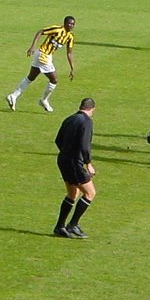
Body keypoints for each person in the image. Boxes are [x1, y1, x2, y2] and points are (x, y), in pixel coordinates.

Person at [6, 16, 76, 113]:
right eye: (69, 23)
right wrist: (32, 47)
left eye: (73, 24)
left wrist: (72, 68)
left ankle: (13, 96)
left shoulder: (70, 37)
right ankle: (43, 100)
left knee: (31, 77)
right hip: (43, 54)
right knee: (54, 80)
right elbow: (40, 32)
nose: (71, 25)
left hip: (47, 56)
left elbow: (69, 52)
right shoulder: (57, 29)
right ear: (64, 23)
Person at [53, 98, 97, 239]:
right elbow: (85, 146)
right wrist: (88, 164)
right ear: (92, 109)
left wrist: (66, 152)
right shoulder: (86, 122)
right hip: (74, 162)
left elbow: (58, 140)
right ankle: (72, 225)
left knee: (73, 194)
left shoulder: (70, 119)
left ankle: (60, 227)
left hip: (62, 159)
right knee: (90, 193)